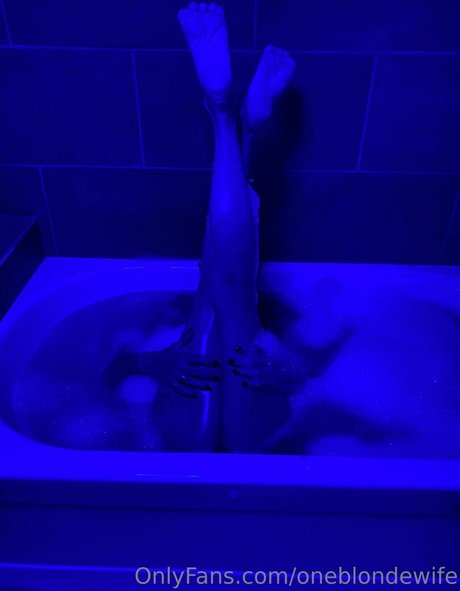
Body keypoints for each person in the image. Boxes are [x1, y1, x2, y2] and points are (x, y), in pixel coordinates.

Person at [107, 1, 307, 452]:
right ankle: (235, 125)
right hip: (254, 429)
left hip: (189, 422)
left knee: (221, 288)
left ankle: (227, 118)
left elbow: (109, 370)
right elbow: (313, 378)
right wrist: (292, 373)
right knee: (230, 292)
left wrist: (147, 362)